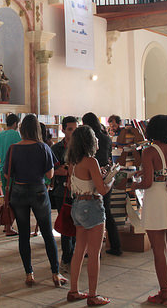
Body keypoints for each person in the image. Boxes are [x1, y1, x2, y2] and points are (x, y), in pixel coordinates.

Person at [4, 114, 66, 287]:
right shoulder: (43, 148)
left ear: (22, 129)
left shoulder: (13, 148)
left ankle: (29, 274)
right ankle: (55, 274)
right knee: (47, 234)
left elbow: (7, 174)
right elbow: (50, 174)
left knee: (23, 235)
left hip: (18, 192)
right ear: (37, 130)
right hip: (39, 191)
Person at [130, 115, 167, 305]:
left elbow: (148, 182)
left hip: (156, 198)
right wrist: (149, 172)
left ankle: (164, 294)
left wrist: (134, 186)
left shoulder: (149, 151)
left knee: (158, 250)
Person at [66, 125, 113, 306]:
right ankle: (93, 295)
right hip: (92, 206)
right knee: (94, 253)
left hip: (77, 205)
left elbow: (75, 184)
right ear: (90, 141)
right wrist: (111, 180)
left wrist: (98, 178)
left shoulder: (74, 161)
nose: (97, 140)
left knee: (79, 249)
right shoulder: (91, 161)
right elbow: (101, 189)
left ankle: (74, 290)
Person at [82, 112, 122, 256]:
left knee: (91, 214)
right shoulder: (106, 138)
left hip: (92, 177)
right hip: (105, 176)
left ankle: (91, 249)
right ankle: (115, 245)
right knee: (106, 212)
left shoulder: (88, 139)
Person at [50, 116, 78, 273]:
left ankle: (74, 256)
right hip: (62, 191)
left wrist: (67, 169)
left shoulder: (81, 147)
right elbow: (54, 170)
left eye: (75, 129)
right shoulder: (56, 149)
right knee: (66, 227)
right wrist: (69, 170)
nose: (73, 133)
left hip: (78, 191)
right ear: (63, 130)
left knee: (77, 227)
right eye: (70, 129)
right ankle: (66, 259)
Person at [0, 113, 22, 236]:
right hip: (13, 170)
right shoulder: (16, 134)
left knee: (6, 196)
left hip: (2, 169)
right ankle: (8, 226)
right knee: (13, 199)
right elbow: (20, 151)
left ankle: (7, 225)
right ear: (16, 124)